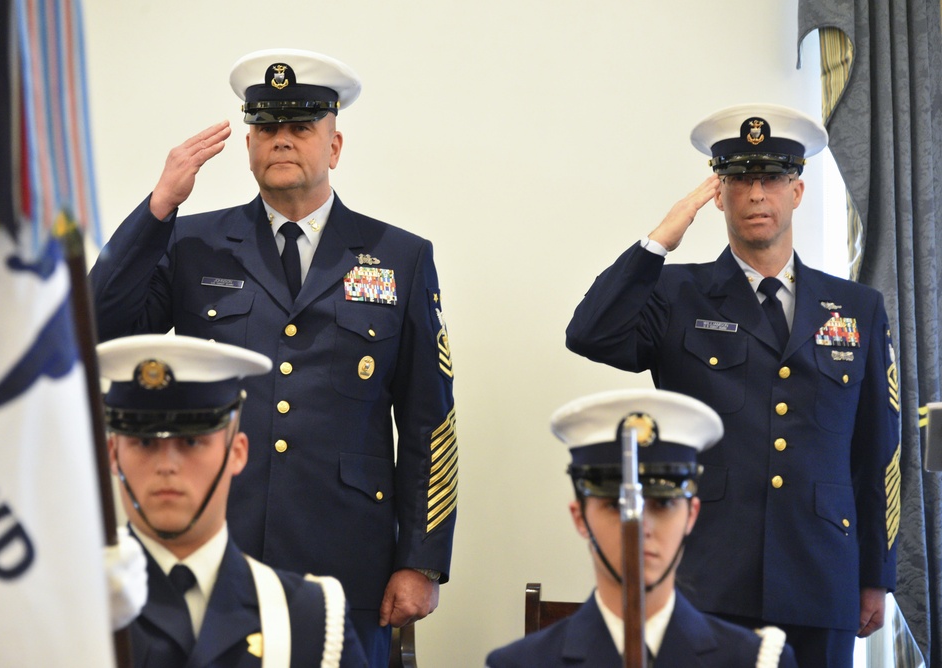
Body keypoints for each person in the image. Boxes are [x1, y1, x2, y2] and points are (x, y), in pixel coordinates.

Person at [88, 49, 457, 666]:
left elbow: (430, 420)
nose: (281, 141)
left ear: (334, 145)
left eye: (301, 128)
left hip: (346, 558)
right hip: (218, 545)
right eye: (266, 128)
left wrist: (421, 559)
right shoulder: (192, 242)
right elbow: (97, 327)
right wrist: (157, 208)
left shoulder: (400, 256)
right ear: (250, 142)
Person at [565, 103, 900, 667]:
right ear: (718, 193)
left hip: (822, 574)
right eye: (739, 180)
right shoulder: (675, 295)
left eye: (771, 178)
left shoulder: (857, 308)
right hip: (707, 578)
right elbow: (590, 334)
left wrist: (876, 574)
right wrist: (660, 240)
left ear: (797, 190)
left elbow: (878, 450)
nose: (756, 195)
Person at [99, 333, 368, 667]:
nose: (166, 465)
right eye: (144, 443)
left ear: (237, 453)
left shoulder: (310, 619)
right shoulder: (71, 608)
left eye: (192, 441)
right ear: (112, 454)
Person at [486, 388, 797, 667]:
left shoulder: (754, 660)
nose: (640, 526)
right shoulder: (521, 663)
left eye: (662, 504)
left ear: (691, 515)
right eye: (613, 505)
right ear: (580, 517)